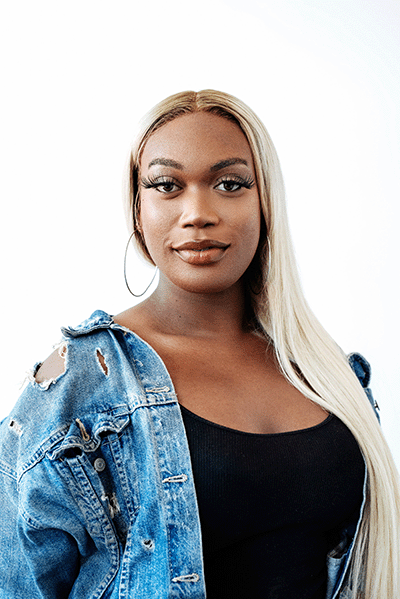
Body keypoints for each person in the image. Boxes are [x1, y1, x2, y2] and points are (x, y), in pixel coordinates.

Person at [0, 90, 399, 599]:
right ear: (138, 209)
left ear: (265, 202)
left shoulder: (328, 375)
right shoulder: (82, 383)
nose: (198, 212)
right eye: (167, 185)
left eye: (229, 184)